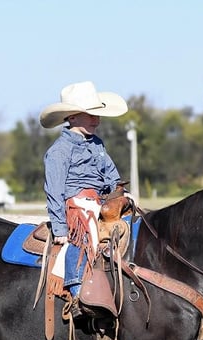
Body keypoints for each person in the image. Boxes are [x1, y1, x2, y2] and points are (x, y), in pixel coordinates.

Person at [40, 81, 128, 319]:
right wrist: (59, 228)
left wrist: (120, 193)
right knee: (84, 237)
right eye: (91, 115)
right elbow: (55, 191)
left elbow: (111, 175)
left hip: (100, 202)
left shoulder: (97, 145)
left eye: (97, 115)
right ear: (72, 116)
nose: (96, 121)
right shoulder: (60, 151)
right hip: (76, 205)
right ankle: (78, 293)